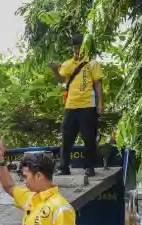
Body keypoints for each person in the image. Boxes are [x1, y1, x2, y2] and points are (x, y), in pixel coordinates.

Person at [50, 34, 103, 177]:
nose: (77, 51)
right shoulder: (68, 64)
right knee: (66, 137)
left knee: (88, 138)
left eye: (79, 48)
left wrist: (100, 104)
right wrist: (55, 69)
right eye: (75, 48)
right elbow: (61, 79)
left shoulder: (92, 63)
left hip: (88, 105)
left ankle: (89, 167)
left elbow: (98, 84)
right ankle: (63, 167)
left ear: (85, 48)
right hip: (71, 106)